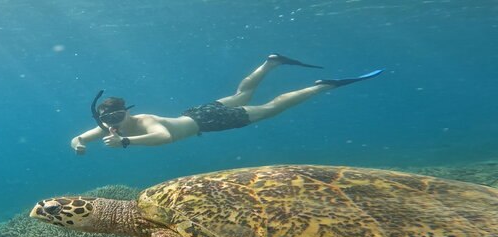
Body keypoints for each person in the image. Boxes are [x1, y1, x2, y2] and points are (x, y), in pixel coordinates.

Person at [70, 54, 382, 154]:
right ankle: (271, 62)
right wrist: (79, 144)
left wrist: (126, 141)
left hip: (209, 121)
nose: (115, 121)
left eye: (119, 114)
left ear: (128, 112)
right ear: (103, 117)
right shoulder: (107, 127)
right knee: (242, 95)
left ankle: (321, 86)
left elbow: (162, 137)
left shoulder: (143, 121)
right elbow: (80, 137)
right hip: (196, 113)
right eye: (109, 118)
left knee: (272, 108)